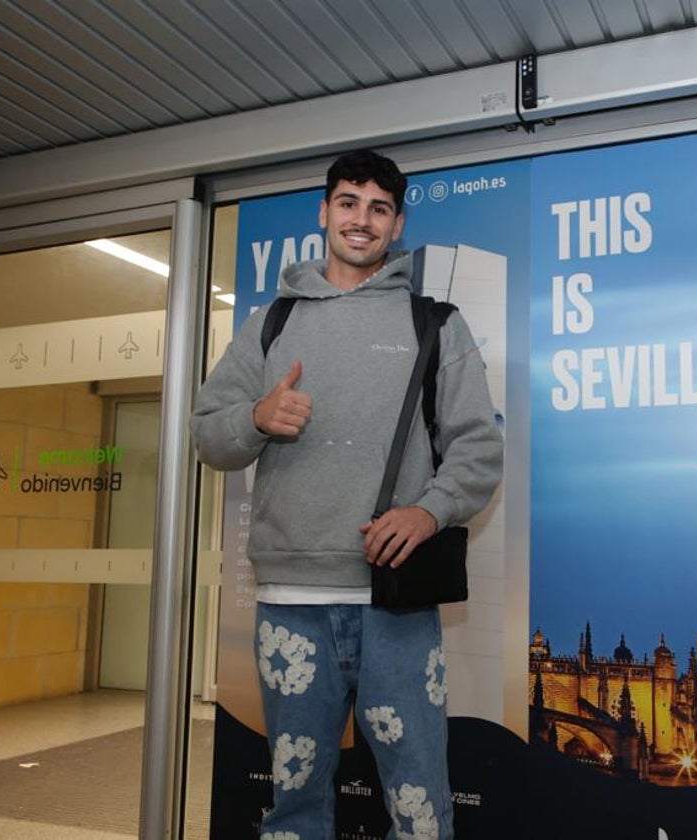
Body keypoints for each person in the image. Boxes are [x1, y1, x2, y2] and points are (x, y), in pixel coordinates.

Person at [191, 149, 503, 840]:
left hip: (393, 600)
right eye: (348, 202)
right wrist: (256, 418)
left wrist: (428, 511)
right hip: (289, 608)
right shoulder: (271, 324)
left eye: (379, 208)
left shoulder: (435, 324)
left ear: (396, 226)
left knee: (421, 808)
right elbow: (209, 435)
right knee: (294, 807)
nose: (362, 220)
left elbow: (479, 447)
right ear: (324, 212)